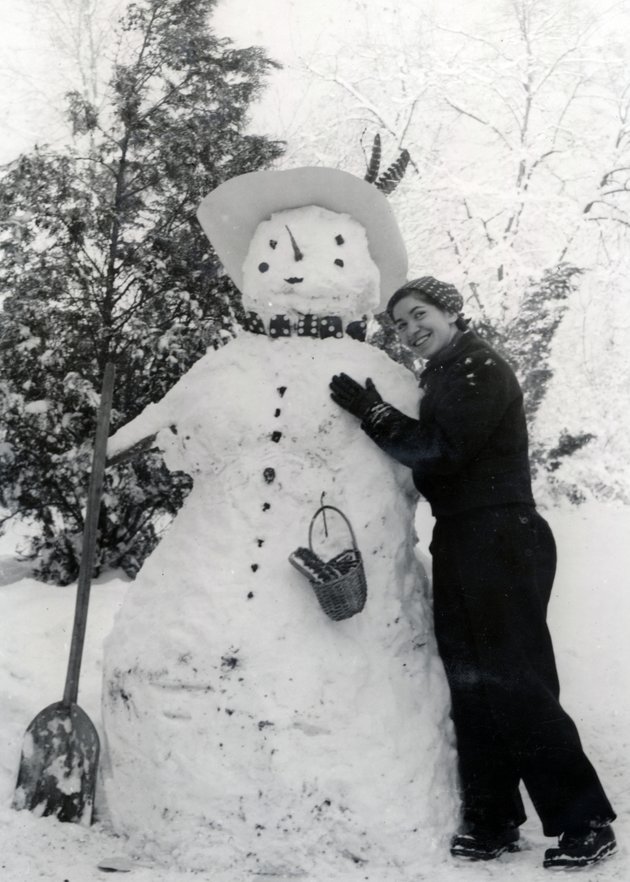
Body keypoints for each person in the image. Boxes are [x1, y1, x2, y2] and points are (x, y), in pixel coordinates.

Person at [329, 276, 617, 870]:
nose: (411, 330)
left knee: (517, 680)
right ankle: (492, 818)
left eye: (419, 315)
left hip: (503, 533)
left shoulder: (478, 368)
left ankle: (584, 820)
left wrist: (374, 412)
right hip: (462, 535)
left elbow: (441, 451)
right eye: (401, 324)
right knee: (471, 681)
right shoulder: (440, 374)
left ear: (451, 310)